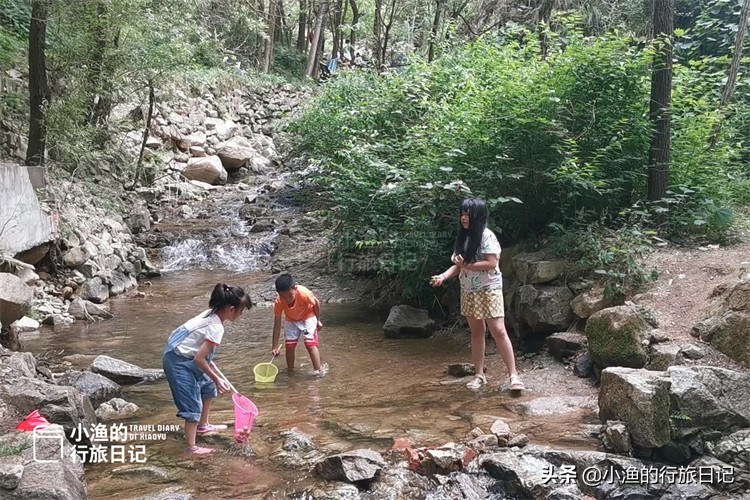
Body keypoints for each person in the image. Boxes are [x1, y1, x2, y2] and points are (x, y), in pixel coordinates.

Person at [431, 198, 524, 392]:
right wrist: (443, 277)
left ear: (478, 216)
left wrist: (467, 266)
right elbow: (458, 265)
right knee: (476, 332)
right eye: (462, 214)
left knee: (498, 330)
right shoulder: (463, 237)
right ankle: (479, 375)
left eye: (468, 214)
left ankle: (513, 376)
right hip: (469, 290)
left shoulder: (486, 236)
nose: (464, 218)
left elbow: (491, 263)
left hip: (489, 289)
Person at [162, 283, 253, 456]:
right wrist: (218, 379)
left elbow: (201, 354)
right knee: (192, 403)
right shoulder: (216, 327)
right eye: (241, 311)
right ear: (231, 309)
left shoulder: (212, 314)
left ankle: (203, 426)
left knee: (208, 385)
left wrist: (214, 378)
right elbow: (199, 359)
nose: (241, 315)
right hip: (177, 360)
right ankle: (191, 447)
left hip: (183, 353)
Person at [271, 273, 324, 374]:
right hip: (291, 319)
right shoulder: (278, 302)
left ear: (294, 288)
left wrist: (318, 320)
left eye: (290, 295)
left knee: (309, 343)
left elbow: (316, 303)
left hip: (308, 315)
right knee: (289, 346)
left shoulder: (304, 293)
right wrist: (275, 346)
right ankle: (291, 371)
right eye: (283, 297)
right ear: (278, 294)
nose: (287, 299)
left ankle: (318, 371)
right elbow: (277, 324)